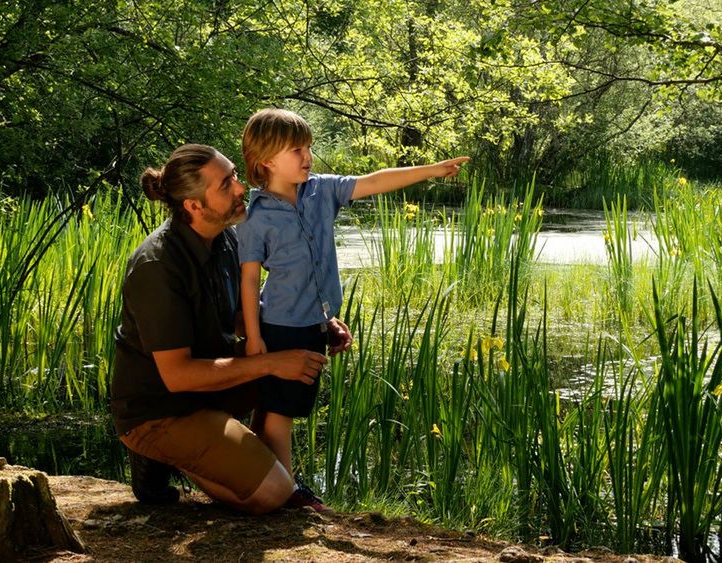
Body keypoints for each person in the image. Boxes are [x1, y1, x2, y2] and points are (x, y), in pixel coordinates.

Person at [237, 108, 468, 510]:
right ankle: (287, 493)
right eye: (297, 149)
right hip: (280, 326)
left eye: (308, 147)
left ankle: (272, 484)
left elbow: (376, 181)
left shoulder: (321, 191)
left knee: (283, 408)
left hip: (312, 322)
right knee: (279, 413)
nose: (307, 156)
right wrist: (255, 338)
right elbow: (250, 280)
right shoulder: (256, 217)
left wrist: (429, 170)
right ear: (267, 161)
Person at [110, 143, 351, 513]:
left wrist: (317, 322)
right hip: (159, 409)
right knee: (271, 494)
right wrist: (271, 364)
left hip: (207, 389)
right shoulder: (156, 265)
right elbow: (177, 376)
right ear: (193, 206)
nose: (240, 188)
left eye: (235, 175)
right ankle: (163, 453)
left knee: (294, 348)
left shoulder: (227, 238)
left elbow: (248, 315)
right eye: (225, 184)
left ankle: (262, 466)